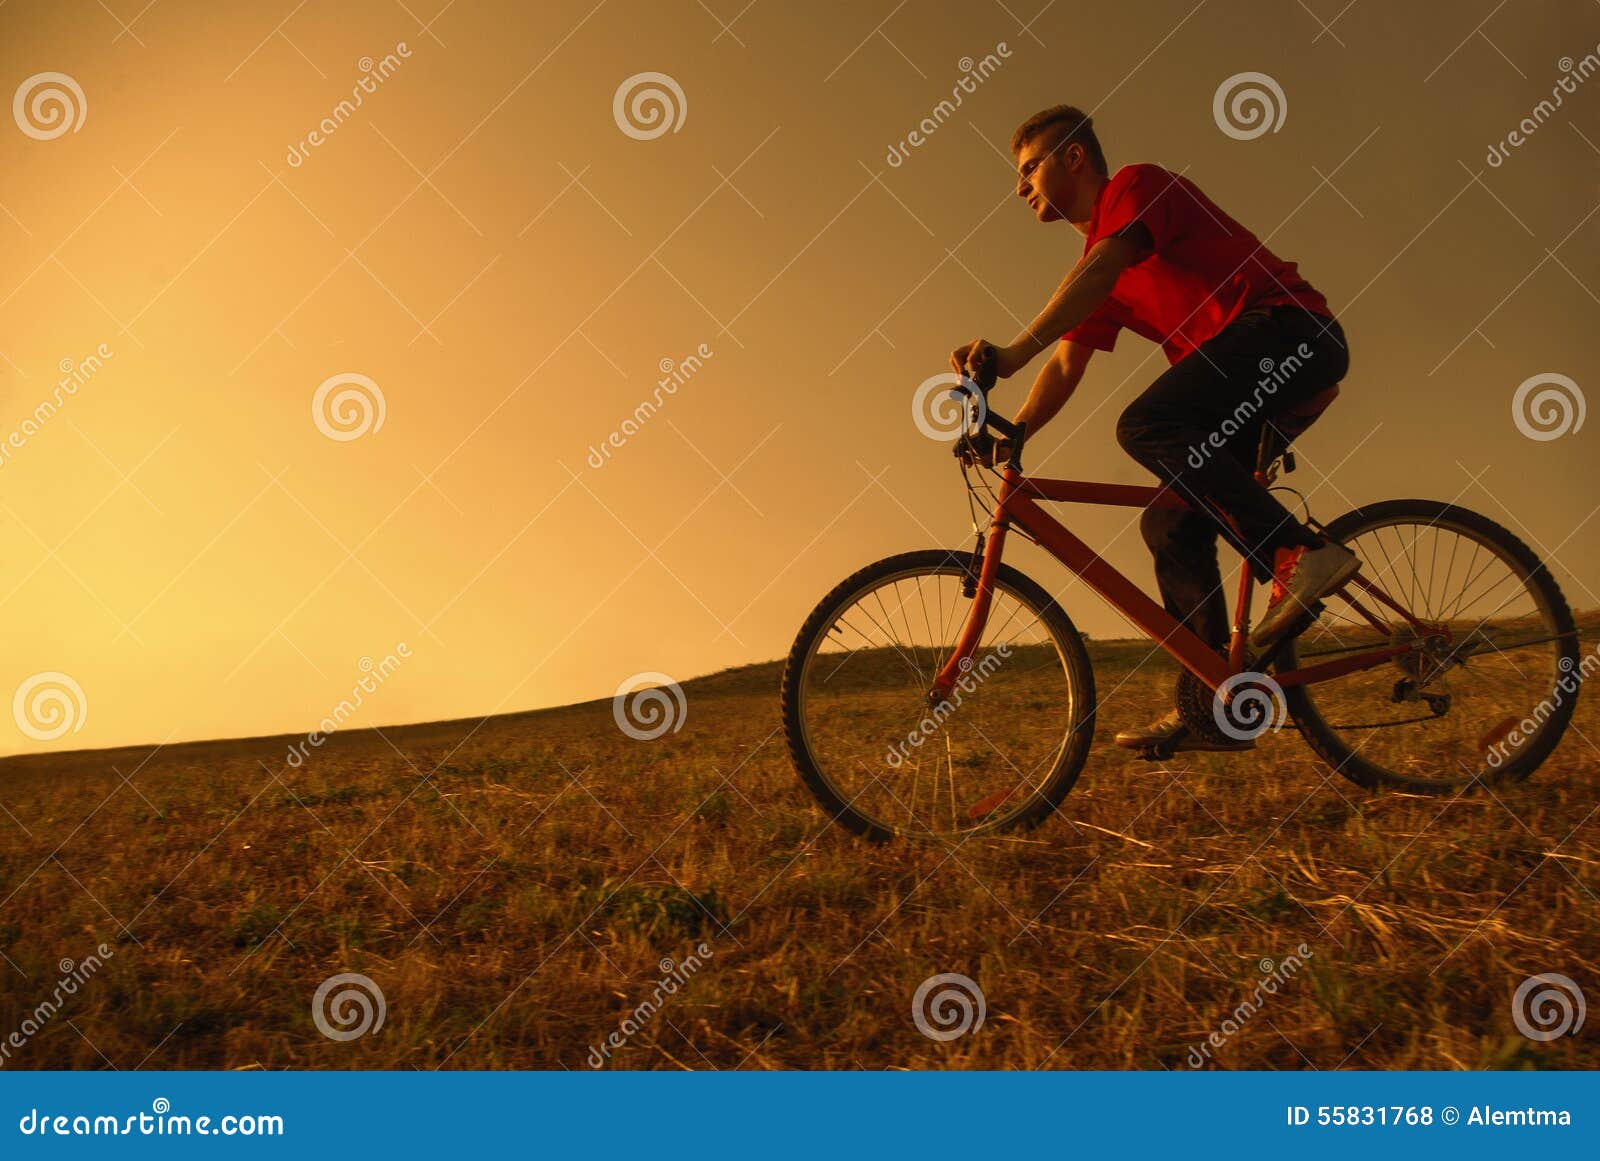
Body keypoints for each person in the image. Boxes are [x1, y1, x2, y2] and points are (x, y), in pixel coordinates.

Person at [949, 104, 1359, 754]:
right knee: (1168, 521)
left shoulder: (1135, 190)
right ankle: (1213, 702)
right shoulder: (1097, 265)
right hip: (1254, 379)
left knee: (1147, 423)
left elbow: (1102, 271)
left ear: (1074, 158)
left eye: (1029, 168)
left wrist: (1010, 351)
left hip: (1290, 332)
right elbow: (1067, 360)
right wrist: (1015, 433)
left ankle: (1300, 552)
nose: (1020, 186)